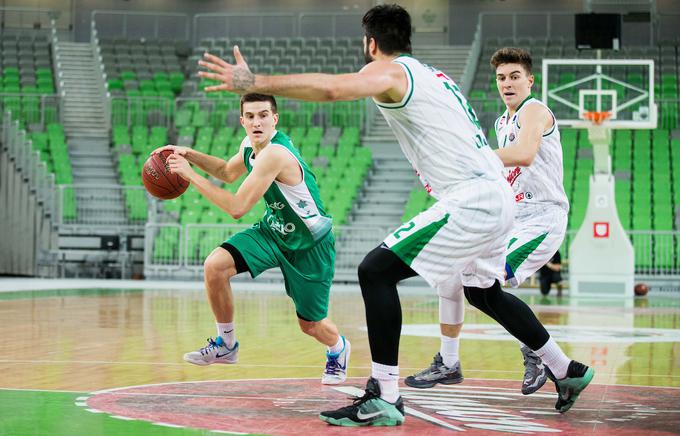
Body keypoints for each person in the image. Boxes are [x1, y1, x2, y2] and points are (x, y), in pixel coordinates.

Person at [197, 5, 594, 427]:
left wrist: (254, 82)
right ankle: (564, 369)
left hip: (474, 198)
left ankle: (384, 394)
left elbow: (333, 90)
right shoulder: (434, 76)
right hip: (498, 197)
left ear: (371, 45)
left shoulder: (394, 72)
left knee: (375, 271)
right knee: (481, 291)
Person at [405, 47, 571, 397]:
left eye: (514, 77)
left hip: (541, 218)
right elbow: (498, 170)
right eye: (501, 78)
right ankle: (449, 362)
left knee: (488, 285)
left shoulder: (535, 111)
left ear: (530, 80)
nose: (507, 83)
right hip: (510, 217)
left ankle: (539, 351)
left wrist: (470, 157)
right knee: (452, 272)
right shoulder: (501, 122)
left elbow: (524, 154)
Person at [154, 93, 350, 385]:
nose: (256, 122)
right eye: (250, 116)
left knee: (310, 325)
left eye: (263, 115)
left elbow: (236, 208)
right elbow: (224, 171)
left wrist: (190, 175)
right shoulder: (249, 145)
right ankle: (226, 344)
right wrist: (189, 153)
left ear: (275, 119)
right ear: (242, 120)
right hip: (273, 231)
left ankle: (338, 348)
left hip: (309, 244)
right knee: (215, 266)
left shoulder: (275, 154)